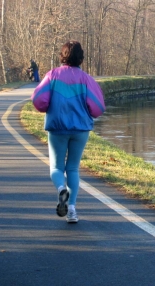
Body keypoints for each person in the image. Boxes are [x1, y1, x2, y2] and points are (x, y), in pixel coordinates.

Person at [31, 40, 106, 223]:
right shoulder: (87, 79)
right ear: (81, 58)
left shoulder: (52, 75)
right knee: (73, 168)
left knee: (56, 167)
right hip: (80, 129)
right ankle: (71, 210)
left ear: (62, 56)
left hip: (57, 127)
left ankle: (60, 189)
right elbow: (98, 108)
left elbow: (38, 100)